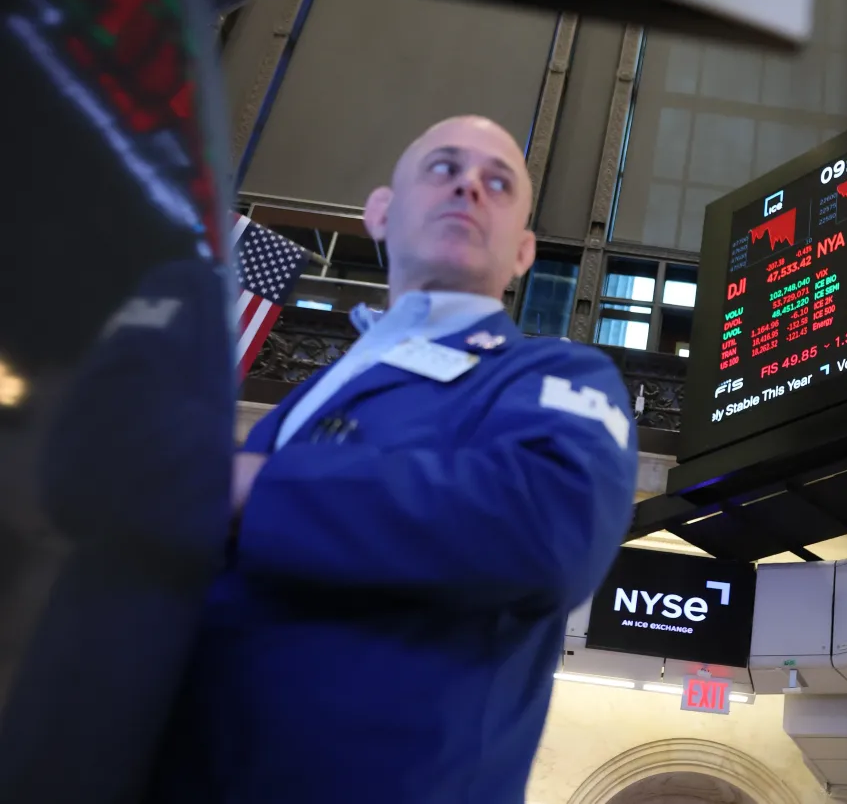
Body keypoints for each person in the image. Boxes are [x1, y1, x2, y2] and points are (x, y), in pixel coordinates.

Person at [146, 116, 640, 804]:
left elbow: (549, 523)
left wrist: (254, 488)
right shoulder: (312, 397)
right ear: (381, 213)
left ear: (524, 251)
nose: (470, 185)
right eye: (443, 168)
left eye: (499, 182)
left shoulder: (561, 374)